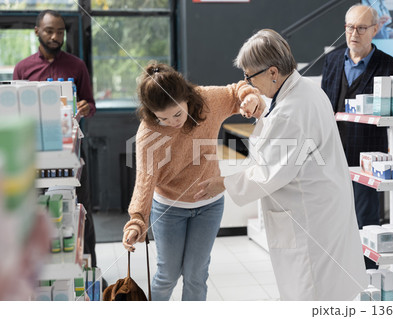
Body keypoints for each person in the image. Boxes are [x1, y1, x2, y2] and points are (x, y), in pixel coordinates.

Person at [195, 29, 368, 301]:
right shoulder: (305, 92)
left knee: (310, 293)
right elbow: (280, 145)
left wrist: (223, 183)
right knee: (323, 291)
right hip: (321, 209)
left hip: (309, 221)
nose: (247, 83)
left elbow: (268, 173)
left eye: (249, 76)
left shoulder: (291, 111)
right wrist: (262, 113)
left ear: (273, 72)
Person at [122, 62, 263, 301]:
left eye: (178, 113)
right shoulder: (148, 133)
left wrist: (249, 96)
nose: (173, 121)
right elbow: (145, 180)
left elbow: (235, 90)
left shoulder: (206, 100)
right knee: (167, 275)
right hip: (168, 208)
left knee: (196, 275)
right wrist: (137, 219)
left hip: (209, 205)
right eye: (163, 118)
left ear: (187, 97)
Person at [321, 5, 393, 267]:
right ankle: (337, 274)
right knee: (333, 221)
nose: (353, 33)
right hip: (333, 157)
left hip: (368, 161)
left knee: (366, 222)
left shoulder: (392, 68)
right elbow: (323, 109)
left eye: (360, 28)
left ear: (375, 29)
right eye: (349, 27)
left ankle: (369, 280)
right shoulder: (332, 60)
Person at [13, 10, 98, 267]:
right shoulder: (23, 68)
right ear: (37, 31)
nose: (55, 36)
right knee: (36, 211)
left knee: (82, 210)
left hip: (72, 150)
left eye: (60, 31)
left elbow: (91, 104)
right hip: (35, 155)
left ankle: (89, 267)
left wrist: (85, 107)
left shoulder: (77, 66)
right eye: (49, 30)